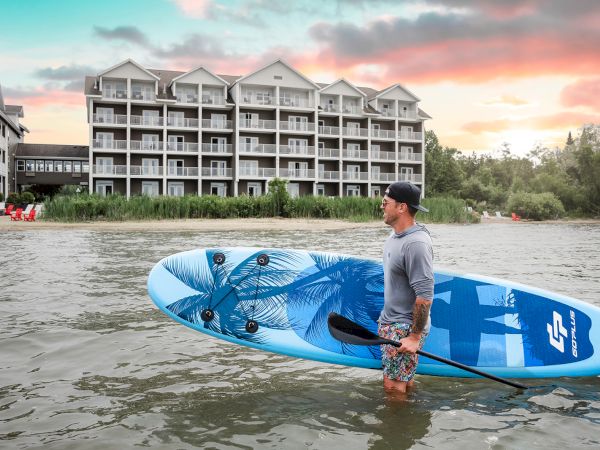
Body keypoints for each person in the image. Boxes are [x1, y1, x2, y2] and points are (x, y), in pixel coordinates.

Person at [378, 181, 434, 395]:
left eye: (385, 201)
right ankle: (409, 422)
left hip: (404, 328)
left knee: (393, 388)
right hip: (392, 323)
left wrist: (414, 337)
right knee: (402, 384)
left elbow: (425, 295)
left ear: (401, 207)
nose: (382, 206)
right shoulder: (395, 236)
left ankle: (398, 427)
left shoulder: (415, 244)